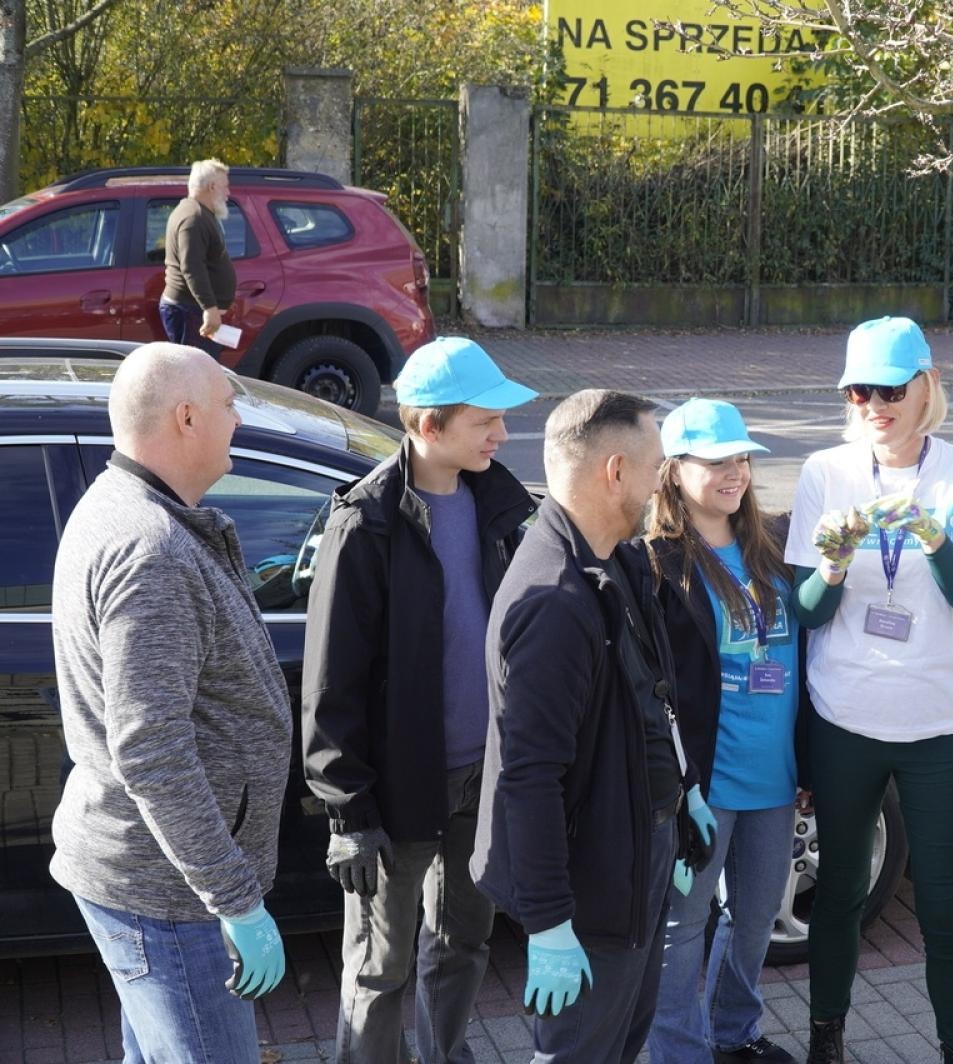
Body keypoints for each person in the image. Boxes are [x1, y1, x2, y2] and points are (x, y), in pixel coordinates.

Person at [50, 342, 290, 1060]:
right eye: (228, 403)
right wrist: (236, 901)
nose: (238, 419)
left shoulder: (129, 507)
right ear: (187, 418)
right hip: (173, 903)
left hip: (158, 886)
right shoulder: (150, 549)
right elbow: (151, 751)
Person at [301, 336, 538, 1063]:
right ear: (429, 426)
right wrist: (348, 811)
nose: (502, 434)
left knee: (463, 941)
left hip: (483, 780)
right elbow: (330, 683)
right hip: (398, 790)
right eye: (485, 421)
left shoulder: (500, 503)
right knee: (380, 967)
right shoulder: (366, 523)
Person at [784, 317, 953, 1064]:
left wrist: (934, 538)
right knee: (841, 892)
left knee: (945, 910)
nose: (874, 404)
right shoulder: (826, 471)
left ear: (926, 387)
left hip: (940, 725)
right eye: (859, 390)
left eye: (890, 388)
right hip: (844, 717)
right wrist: (836, 564)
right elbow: (806, 613)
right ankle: (827, 1037)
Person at [472, 389, 717, 1063]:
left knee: (619, 1044)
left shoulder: (614, 562)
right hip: (595, 888)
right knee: (581, 1050)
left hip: (638, 855)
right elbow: (528, 777)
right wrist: (550, 923)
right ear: (615, 470)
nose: (663, 480)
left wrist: (684, 788)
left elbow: (650, 695)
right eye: (656, 464)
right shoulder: (553, 600)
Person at [642, 399, 801, 1064]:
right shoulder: (656, 564)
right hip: (704, 787)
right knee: (681, 929)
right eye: (716, 460)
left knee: (756, 920)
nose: (735, 471)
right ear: (675, 472)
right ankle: (680, 1053)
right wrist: (678, 788)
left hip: (776, 779)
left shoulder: (776, 546)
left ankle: (736, 1034)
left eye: (741, 458)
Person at [160, 157, 235, 357]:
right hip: (188, 311)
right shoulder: (193, 217)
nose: (228, 193)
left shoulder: (199, 212)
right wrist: (210, 309)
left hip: (192, 310)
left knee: (200, 373)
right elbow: (192, 267)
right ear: (211, 187)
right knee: (195, 377)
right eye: (225, 187)